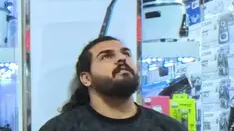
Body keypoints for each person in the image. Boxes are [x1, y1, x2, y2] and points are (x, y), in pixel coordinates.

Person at [39, 35, 187, 130]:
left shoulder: (169, 128)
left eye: (126, 53)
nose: (122, 58)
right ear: (86, 78)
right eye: (107, 56)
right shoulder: (59, 128)